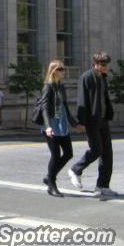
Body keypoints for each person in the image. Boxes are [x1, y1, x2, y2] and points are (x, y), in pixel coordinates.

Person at [68, 52, 118, 198]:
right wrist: (81, 122)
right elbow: (82, 101)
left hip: (103, 120)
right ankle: (76, 169)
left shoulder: (102, 78)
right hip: (91, 120)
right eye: (103, 64)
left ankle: (102, 186)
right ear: (95, 63)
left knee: (107, 154)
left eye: (106, 64)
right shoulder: (87, 77)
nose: (105, 67)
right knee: (96, 150)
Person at [40, 60, 85, 197]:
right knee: (55, 155)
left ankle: (49, 176)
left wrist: (74, 124)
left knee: (68, 153)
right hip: (52, 126)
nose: (63, 71)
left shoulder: (61, 86)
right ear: (53, 71)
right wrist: (48, 127)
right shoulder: (48, 86)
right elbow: (44, 108)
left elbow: (65, 107)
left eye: (63, 69)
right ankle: (51, 185)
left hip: (62, 125)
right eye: (60, 69)